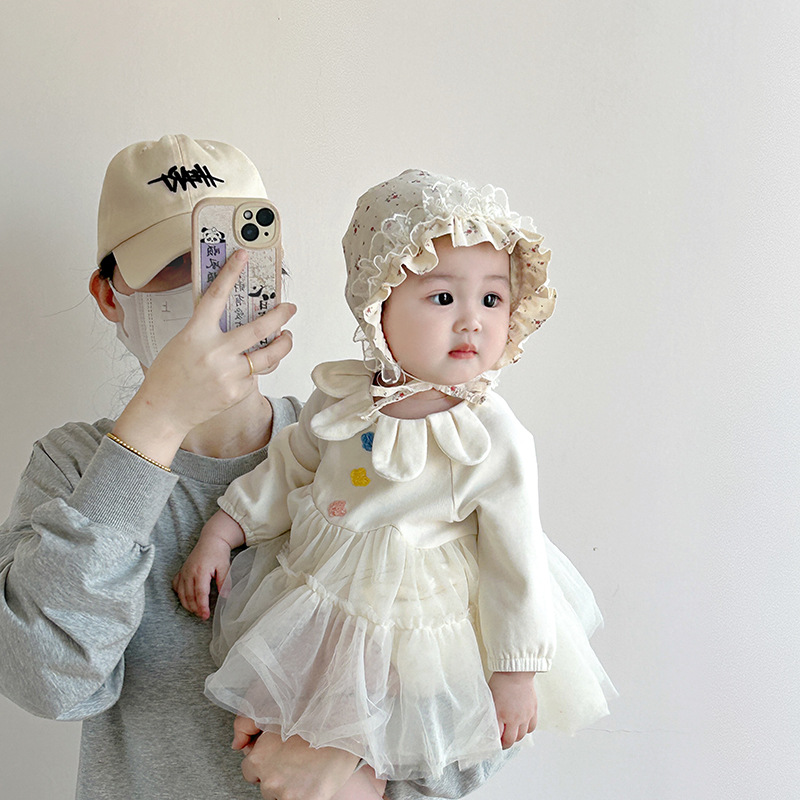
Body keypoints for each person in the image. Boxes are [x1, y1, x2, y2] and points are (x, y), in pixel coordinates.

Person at [0, 138, 506, 800]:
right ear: (108, 296)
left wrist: (361, 777)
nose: (209, 289)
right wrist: (154, 423)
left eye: (229, 259)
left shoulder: (366, 447)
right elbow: (51, 681)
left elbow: (482, 697)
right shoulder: (74, 471)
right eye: (174, 265)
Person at [175, 169, 617, 799]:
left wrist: (515, 670)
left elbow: (514, 561)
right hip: (322, 580)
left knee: (387, 703)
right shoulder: (342, 393)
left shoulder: (494, 436)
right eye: (443, 299)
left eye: (492, 300)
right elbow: (290, 467)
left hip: (413, 608)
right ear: (377, 304)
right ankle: (283, 728)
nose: (471, 322)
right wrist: (224, 531)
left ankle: (358, 771)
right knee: (283, 676)